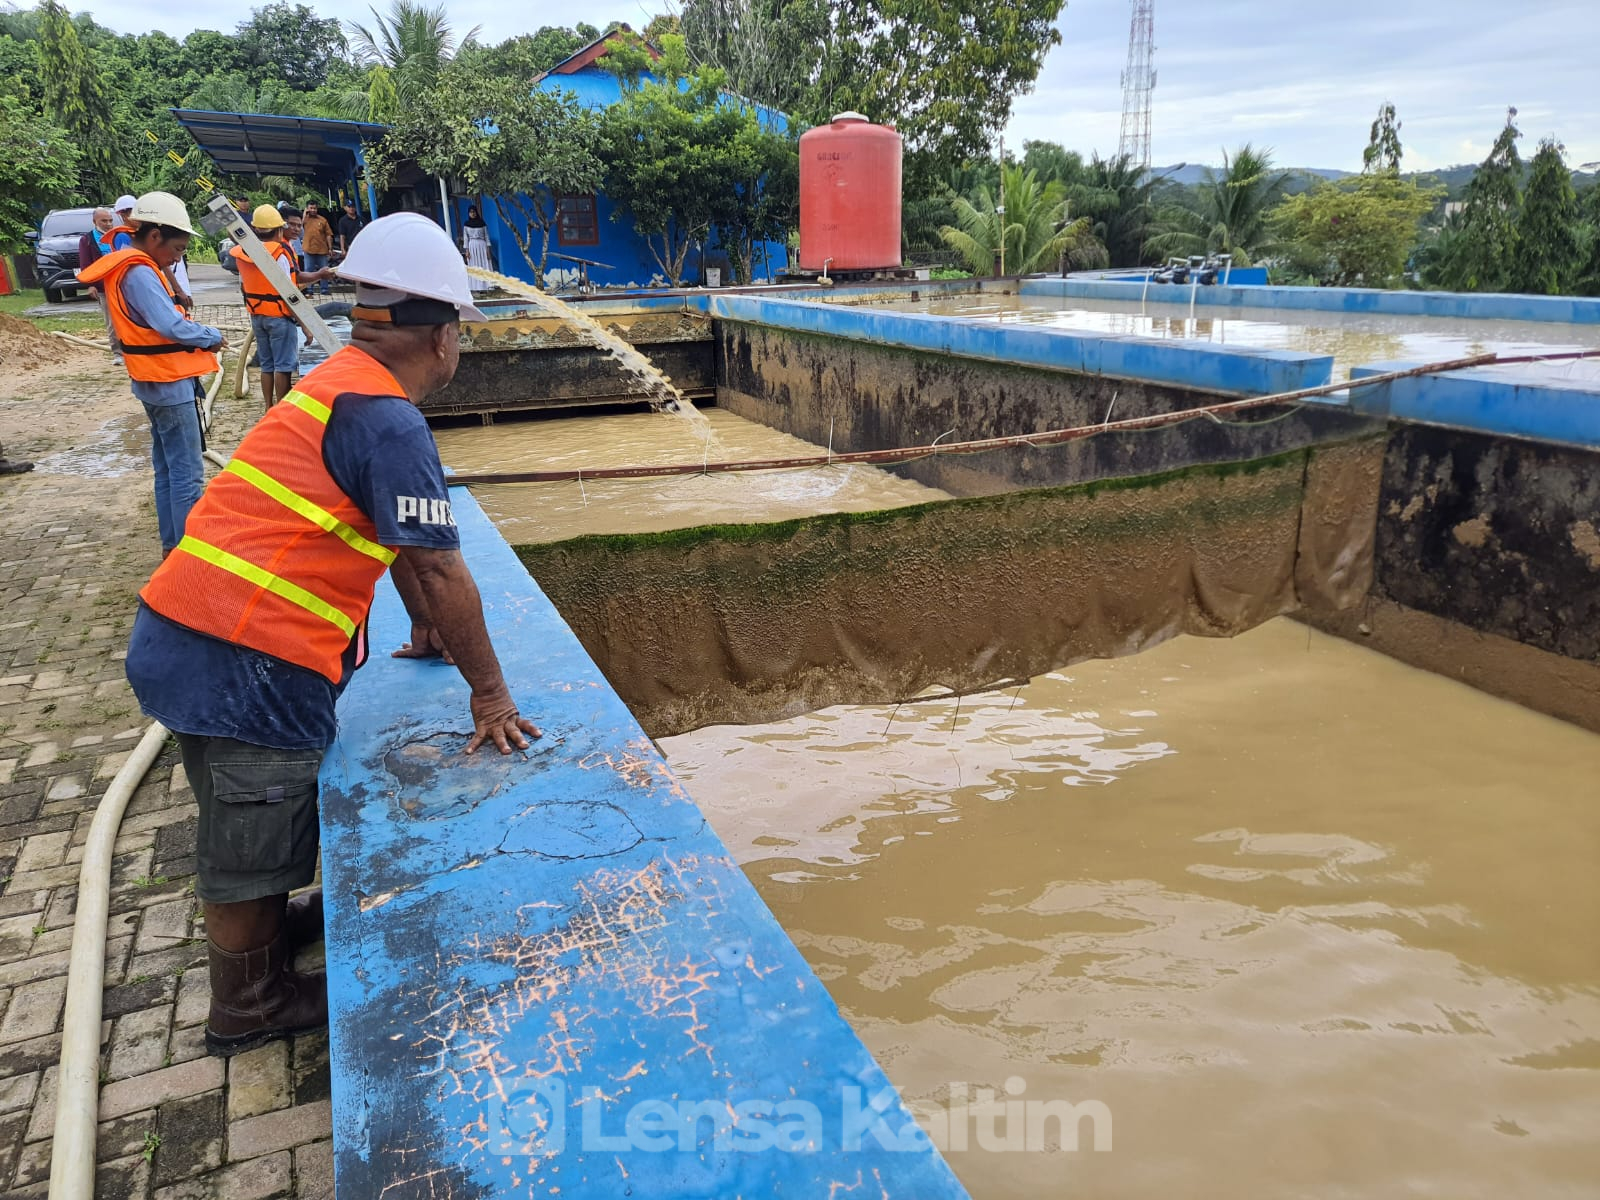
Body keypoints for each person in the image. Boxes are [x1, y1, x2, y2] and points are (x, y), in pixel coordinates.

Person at [123, 212, 535, 1058]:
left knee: (252, 820)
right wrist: (488, 692)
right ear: (444, 337)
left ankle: (273, 929)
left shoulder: (337, 379)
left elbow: (376, 535)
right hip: (245, 659)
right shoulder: (389, 420)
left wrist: (421, 627)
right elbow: (442, 567)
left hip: (188, 631)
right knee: (249, 834)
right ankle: (250, 1003)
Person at [77, 193, 225, 557]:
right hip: (168, 383)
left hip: (153, 382)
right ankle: (189, 561)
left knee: (167, 470)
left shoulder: (130, 266)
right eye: (176, 248)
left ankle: (174, 550)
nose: (178, 257)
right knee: (187, 475)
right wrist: (211, 337)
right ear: (155, 236)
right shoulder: (140, 272)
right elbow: (169, 325)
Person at [231, 204, 331, 412]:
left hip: (257, 315)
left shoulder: (243, 251)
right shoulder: (279, 253)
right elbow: (289, 294)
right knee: (283, 366)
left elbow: (243, 286)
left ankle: (269, 407)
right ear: (278, 229)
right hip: (279, 317)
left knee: (267, 365)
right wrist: (304, 326)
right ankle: (283, 411)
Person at [79, 207, 122, 362]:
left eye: (110, 220)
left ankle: (132, 349)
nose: (108, 224)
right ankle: (117, 353)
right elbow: (85, 264)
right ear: (95, 221)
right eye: (104, 221)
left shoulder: (118, 236)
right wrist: (90, 285)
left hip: (122, 284)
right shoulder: (88, 240)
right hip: (104, 286)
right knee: (111, 320)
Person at [301, 200, 334, 295]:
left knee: (324, 270)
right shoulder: (305, 219)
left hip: (322, 249)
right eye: (311, 208)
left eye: (315, 208)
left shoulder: (322, 220)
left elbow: (328, 234)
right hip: (308, 249)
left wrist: (330, 248)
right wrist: (304, 214)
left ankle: (324, 289)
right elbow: (300, 226)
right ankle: (309, 289)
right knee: (308, 270)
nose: (313, 210)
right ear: (307, 208)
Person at [462, 204, 493, 293]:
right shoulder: (466, 224)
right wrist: (467, 251)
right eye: (471, 212)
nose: (473, 214)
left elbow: (486, 236)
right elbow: (465, 238)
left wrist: (488, 249)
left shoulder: (482, 223)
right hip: (472, 246)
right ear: (468, 213)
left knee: (484, 264)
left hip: (482, 245)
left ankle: (487, 285)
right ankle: (476, 286)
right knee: (474, 265)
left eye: (474, 212)